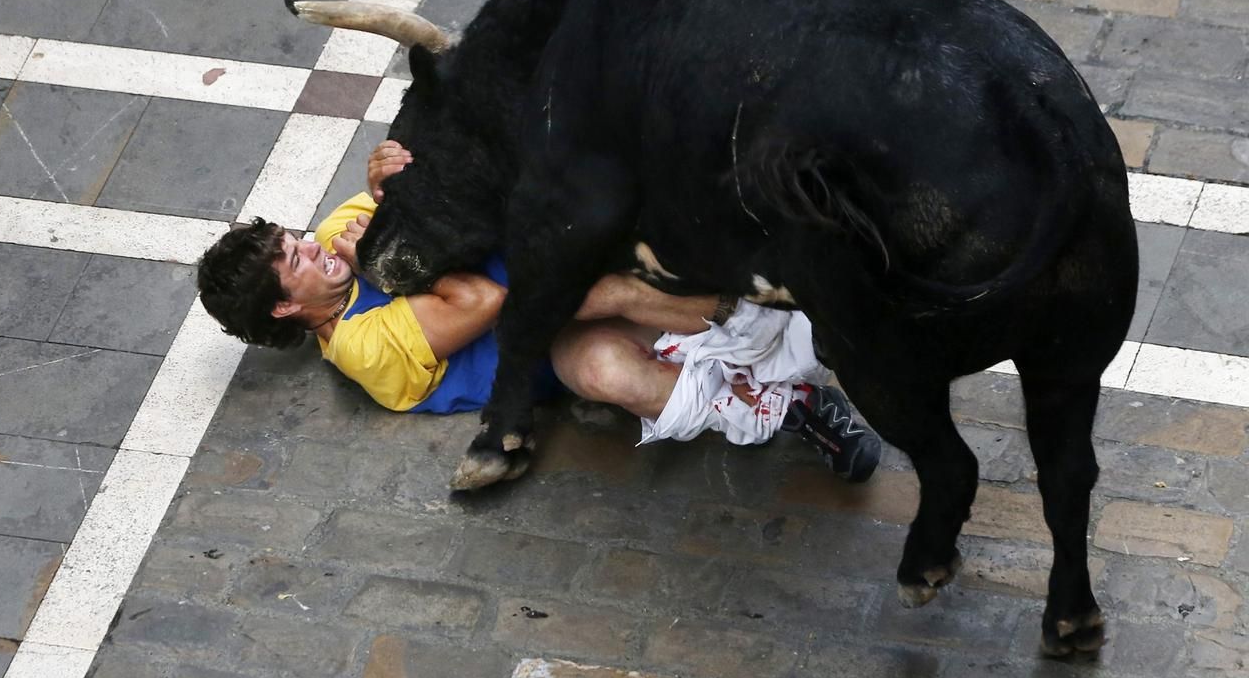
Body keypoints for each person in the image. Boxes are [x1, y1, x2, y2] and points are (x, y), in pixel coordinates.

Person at [197, 141, 880, 481]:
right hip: (547, 326)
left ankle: (806, 323)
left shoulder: (332, 237)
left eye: (297, 241)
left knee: (608, 266)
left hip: (559, 261)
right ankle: (792, 406)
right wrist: (382, 231)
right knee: (605, 359)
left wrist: (388, 181)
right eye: (299, 263)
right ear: (288, 309)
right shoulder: (360, 348)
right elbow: (485, 300)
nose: (316, 248)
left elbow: (437, 190)